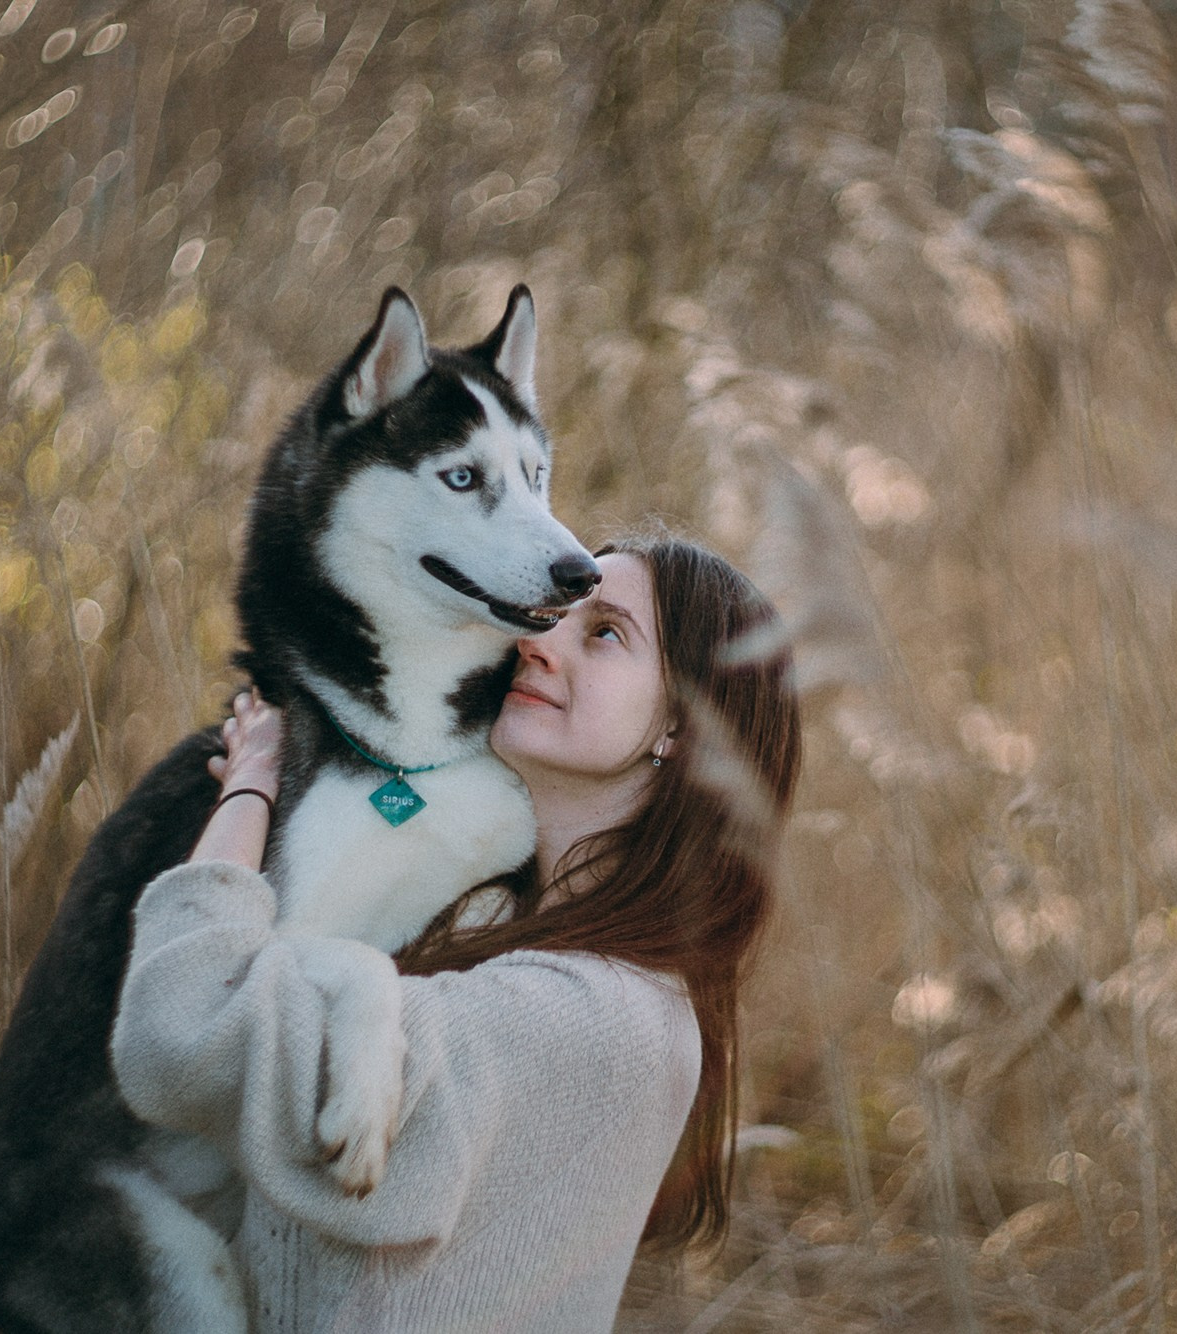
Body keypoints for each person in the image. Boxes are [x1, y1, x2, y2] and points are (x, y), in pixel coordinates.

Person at [107, 533, 803, 1333]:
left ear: (683, 727)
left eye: (604, 632)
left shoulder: (602, 1017)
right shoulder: (497, 921)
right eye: (556, 614)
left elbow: (181, 1029)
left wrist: (252, 786)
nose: (536, 639)